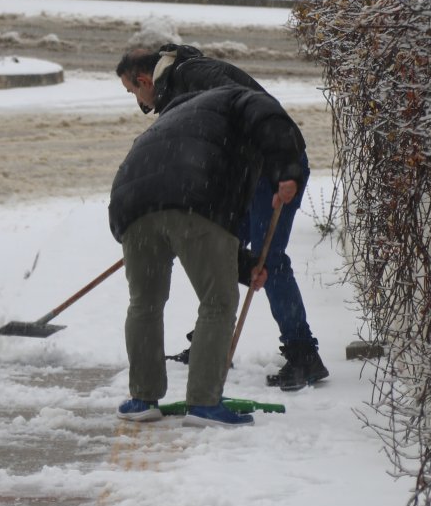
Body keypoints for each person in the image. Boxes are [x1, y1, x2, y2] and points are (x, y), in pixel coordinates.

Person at [115, 44, 329, 392]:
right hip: (244, 175)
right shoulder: (176, 87)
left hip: (272, 167)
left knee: (268, 259)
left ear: (143, 79)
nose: (140, 105)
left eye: (133, 93)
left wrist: (284, 169)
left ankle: (304, 353)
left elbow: (258, 108)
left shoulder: (193, 74)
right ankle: (209, 343)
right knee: (216, 246)